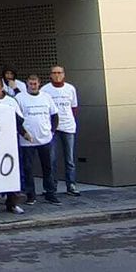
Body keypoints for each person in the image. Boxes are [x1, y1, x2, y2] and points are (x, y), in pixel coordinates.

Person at [0, 77, 28, 216]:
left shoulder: (11, 101)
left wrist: (24, 133)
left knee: (13, 171)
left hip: (10, 141)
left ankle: (12, 203)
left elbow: (19, 120)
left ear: (1, 87)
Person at [16, 74, 60, 205]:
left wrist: (52, 131)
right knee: (28, 168)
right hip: (27, 140)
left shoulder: (46, 97)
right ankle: (31, 195)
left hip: (45, 139)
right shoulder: (20, 98)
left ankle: (50, 193)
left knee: (48, 167)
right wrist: (23, 133)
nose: (33, 86)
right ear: (27, 84)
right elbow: (16, 118)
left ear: (39, 83)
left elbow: (55, 115)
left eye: (35, 83)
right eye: (30, 84)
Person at [45, 65, 82, 196]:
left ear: (64, 74)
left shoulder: (70, 89)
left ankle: (71, 185)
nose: (57, 75)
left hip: (68, 127)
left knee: (69, 159)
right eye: (54, 73)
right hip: (53, 129)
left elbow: (74, 107)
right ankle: (52, 186)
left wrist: (70, 120)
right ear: (50, 75)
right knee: (52, 159)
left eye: (59, 72)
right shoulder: (45, 90)